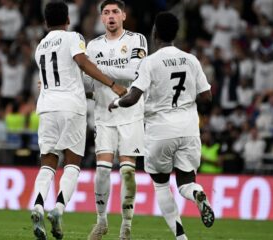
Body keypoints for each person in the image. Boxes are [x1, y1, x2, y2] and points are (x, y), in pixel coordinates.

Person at [108, 12, 215, 239]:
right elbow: (207, 97)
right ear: (176, 34)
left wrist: (116, 102)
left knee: (161, 185)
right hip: (189, 130)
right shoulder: (191, 59)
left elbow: (133, 97)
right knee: (187, 182)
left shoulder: (150, 62)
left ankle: (180, 236)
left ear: (155, 32)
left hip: (159, 131)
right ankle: (198, 193)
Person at [31, 2, 126, 240]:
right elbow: (82, 62)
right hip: (71, 107)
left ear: (45, 23)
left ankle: (38, 206)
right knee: (72, 163)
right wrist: (112, 84)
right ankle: (59, 208)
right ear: (68, 20)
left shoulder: (40, 47)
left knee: (47, 164)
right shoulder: (73, 37)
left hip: (45, 108)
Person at [84, 1, 148, 239]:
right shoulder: (93, 45)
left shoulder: (137, 39)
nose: (110, 16)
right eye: (106, 13)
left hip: (131, 114)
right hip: (103, 115)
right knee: (101, 171)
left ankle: (126, 225)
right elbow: (87, 81)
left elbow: (134, 72)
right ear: (101, 18)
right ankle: (101, 222)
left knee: (127, 173)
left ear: (123, 15)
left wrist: (96, 70)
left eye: (115, 12)